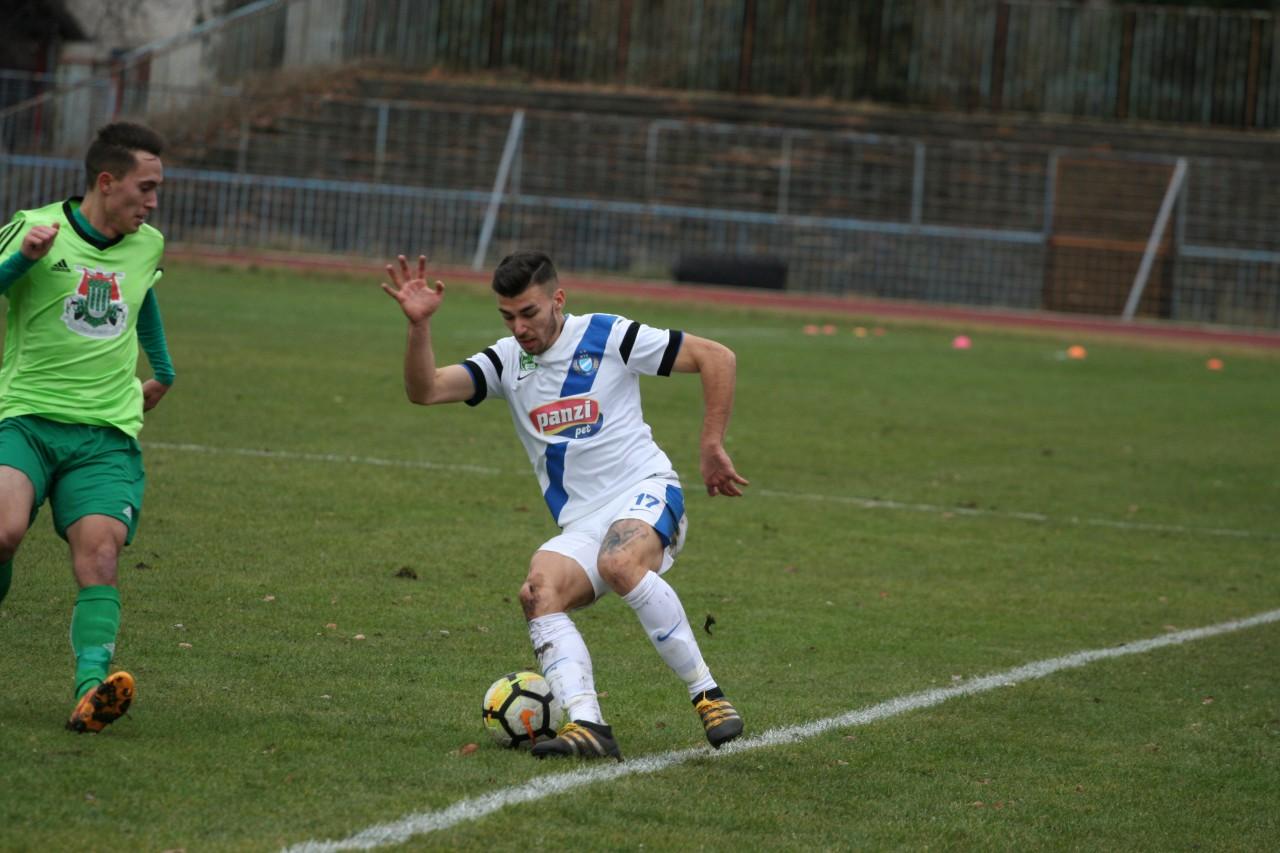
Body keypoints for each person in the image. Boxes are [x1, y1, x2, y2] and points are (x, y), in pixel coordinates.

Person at [382, 250, 749, 760]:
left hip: (646, 492)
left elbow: (717, 357)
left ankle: (707, 694)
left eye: (529, 313)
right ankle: (588, 725)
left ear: (558, 299)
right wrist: (419, 325)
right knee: (538, 591)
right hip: (582, 522)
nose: (519, 328)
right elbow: (425, 390)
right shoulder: (508, 361)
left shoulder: (607, 335)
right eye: (508, 316)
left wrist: (711, 444)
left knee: (618, 562)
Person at [0, 121, 175, 733]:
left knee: (100, 556)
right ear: (107, 181)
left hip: (104, 433)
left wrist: (164, 370)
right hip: (25, 417)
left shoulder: (147, 245)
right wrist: (23, 260)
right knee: (3, 531)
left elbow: (142, 298)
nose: (153, 202)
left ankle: (90, 691)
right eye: (145, 188)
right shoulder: (34, 226)